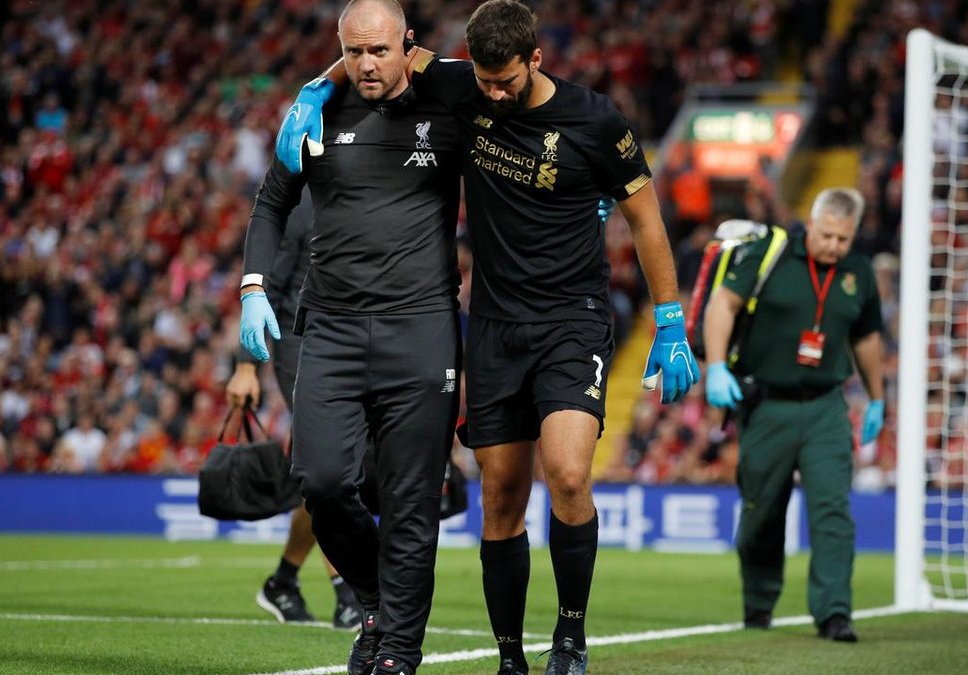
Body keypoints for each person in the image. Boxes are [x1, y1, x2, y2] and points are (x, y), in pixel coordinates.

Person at [279, 2, 699, 672]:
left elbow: (646, 220)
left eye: (506, 81)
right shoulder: (462, 86)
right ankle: (510, 657)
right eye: (484, 81)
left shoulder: (594, 120)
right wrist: (314, 89)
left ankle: (570, 636)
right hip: (496, 326)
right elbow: (384, 52)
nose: (494, 95)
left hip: (572, 319)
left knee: (567, 473)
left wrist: (670, 320)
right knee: (501, 494)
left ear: (536, 58)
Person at [239, 1, 463, 672]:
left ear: (408, 45)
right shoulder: (315, 115)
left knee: (411, 501)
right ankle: (375, 601)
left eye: (380, 51)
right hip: (331, 330)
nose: (366, 64)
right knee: (323, 481)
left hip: (420, 329)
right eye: (353, 51)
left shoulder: (448, 104)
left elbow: (506, 85)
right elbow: (271, 204)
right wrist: (252, 287)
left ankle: (397, 650)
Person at [703, 187, 885, 644]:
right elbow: (723, 303)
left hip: (826, 406)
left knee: (833, 510)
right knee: (761, 513)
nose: (834, 246)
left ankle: (834, 614)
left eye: (844, 239)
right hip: (767, 405)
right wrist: (717, 366)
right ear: (812, 222)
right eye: (827, 236)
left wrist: (877, 398)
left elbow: (866, 338)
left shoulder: (858, 271)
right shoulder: (771, 252)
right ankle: (759, 603)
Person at [225, 192, 363, 630]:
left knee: (328, 472)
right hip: (299, 342)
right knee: (331, 460)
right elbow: (267, 285)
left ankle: (283, 580)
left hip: (348, 341)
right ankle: (347, 591)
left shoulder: (362, 189)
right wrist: (246, 366)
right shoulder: (304, 203)